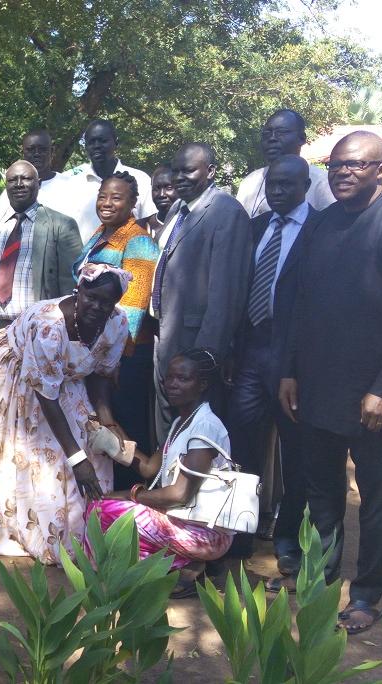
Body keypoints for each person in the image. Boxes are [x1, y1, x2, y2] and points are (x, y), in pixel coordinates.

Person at [278, 131, 382, 634]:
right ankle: (322, 574)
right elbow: (299, 302)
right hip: (315, 383)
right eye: (335, 166)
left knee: (373, 492)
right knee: (322, 488)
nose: (342, 173)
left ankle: (367, 593)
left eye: (355, 165)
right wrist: (290, 371)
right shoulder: (322, 222)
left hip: (370, 391)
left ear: (381, 169)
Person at [0, 264, 130, 563]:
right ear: (78, 291)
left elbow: (99, 373)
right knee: (36, 452)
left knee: (91, 443)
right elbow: (47, 396)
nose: (97, 306)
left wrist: (106, 421)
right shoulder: (49, 327)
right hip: (13, 373)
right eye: (91, 297)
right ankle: (25, 527)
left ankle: (81, 528)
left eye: (106, 302)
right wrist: (77, 459)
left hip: (66, 376)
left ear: (115, 304)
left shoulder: (118, 324)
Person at [227, 155, 317, 567]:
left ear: (305, 186)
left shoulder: (320, 229)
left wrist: (296, 366)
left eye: (287, 184)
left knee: (294, 454)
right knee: (243, 444)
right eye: (273, 184)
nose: (277, 191)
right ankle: (241, 533)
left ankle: (287, 541)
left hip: (294, 358)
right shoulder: (257, 226)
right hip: (251, 353)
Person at [87, 349, 234, 598]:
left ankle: (185, 565)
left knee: (105, 510)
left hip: (207, 534)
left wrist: (131, 494)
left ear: (202, 385)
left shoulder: (205, 427)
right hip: (183, 520)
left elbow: (179, 494)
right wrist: (113, 440)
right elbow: (148, 468)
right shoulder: (181, 423)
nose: (172, 384)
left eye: (183, 378)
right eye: (170, 377)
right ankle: (177, 565)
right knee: (100, 506)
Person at [150, 143, 252, 443]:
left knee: (196, 433)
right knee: (168, 428)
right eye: (176, 171)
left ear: (211, 172)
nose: (179, 177)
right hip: (165, 335)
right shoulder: (177, 209)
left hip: (194, 345)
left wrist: (204, 358)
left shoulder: (227, 212)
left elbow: (226, 294)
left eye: (189, 171)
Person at [74, 172, 160, 486]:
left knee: (124, 424)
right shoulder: (100, 233)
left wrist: (116, 358)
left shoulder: (137, 241)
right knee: (101, 424)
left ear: (133, 203)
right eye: (103, 196)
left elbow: (132, 309)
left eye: (116, 198)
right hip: (96, 350)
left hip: (124, 355)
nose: (107, 203)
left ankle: (130, 494)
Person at [0, 160, 81, 342]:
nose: (19, 184)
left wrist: (62, 334)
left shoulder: (61, 225)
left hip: (38, 333)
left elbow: (70, 286)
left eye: (26, 178)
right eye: (12, 180)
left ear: (39, 183)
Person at [61, 120, 156, 243]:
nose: (97, 146)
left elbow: (151, 223)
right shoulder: (71, 182)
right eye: (91, 142)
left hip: (130, 253)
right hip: (82, 254)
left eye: (103, 141)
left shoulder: (140, 179)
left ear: (116, 143)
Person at [237, 109, 335, 217]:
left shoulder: (322, 182)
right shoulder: (250, 182)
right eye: (267, 134)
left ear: (302, 139)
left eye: (281, 132)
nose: (272, 138)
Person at [0, 130, 75, 219]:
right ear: (23, 153)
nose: (37, 154)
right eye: (30, 150)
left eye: (42, 149)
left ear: (52, 151)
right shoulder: (10, 193)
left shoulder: (70, 186)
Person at [148, 164, 177, 242]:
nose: (161, 194)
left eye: (169, 188)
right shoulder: (140, 226)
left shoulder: (190, 225)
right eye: (156, 188)